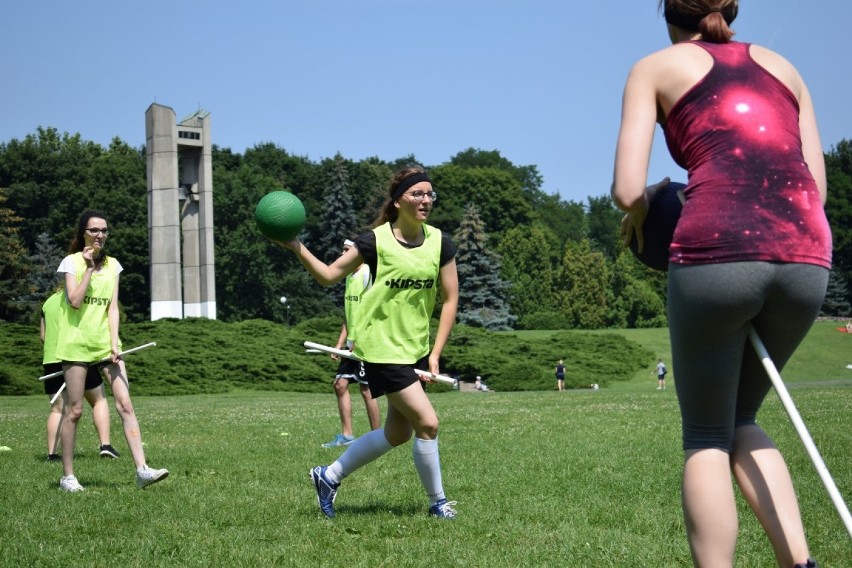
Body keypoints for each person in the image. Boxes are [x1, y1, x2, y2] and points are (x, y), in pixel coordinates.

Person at [611, 2, 829, 566]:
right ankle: (799, 562)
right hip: (806, 252)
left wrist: (641, 217)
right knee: (742, 419)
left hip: (716, 251)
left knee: (707, 435)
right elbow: (818, 186)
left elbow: (628, 189)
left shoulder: (655, 67)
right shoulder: (786, 68)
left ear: (668, 12)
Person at [273, 166, 459, 519]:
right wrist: (297, 247)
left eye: (429, 194)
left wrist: (435, 354)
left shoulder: (440, 242)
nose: (425, 200)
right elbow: (329, 276)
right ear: (398, 200)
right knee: (428, 424)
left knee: (397, 433)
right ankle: (438, 504)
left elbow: (450, 299)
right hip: (381, 350)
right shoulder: (374, 241)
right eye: (417, 193)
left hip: (415, 349)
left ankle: (328, 476)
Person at [55, 210, 169, 492]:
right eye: (94, 230)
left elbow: (112, 308)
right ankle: (68, 477)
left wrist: (114, 343)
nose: (100, 235)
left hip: (106, 346)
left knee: (125, 404)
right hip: (76, 346)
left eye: (104, 230)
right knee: (76, 411)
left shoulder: (115, 265)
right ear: (83, 232)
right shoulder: (71, 263)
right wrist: (89, 268)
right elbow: (75, 302)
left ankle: (142, 470)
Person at [40, 290, 119, 462]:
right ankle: (105, 445)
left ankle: (52, 454)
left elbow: (43, 336)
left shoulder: (47, 302)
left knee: (57, 409)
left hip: (51, 359)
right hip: (77, 356)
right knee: (98, 400)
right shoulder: (82, 298)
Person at [321, 239, 381, 448]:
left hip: (366, 343)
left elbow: (373, 311)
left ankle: (378, 438)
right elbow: (349, 314)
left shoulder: (367, 274)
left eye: (347, 251)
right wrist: (340, 344)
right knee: (340, 384)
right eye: (343, 251)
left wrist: (360, 340)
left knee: (367, 389)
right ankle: (347, 436)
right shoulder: (349, 277)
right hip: (351, 344)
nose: (343, 254)